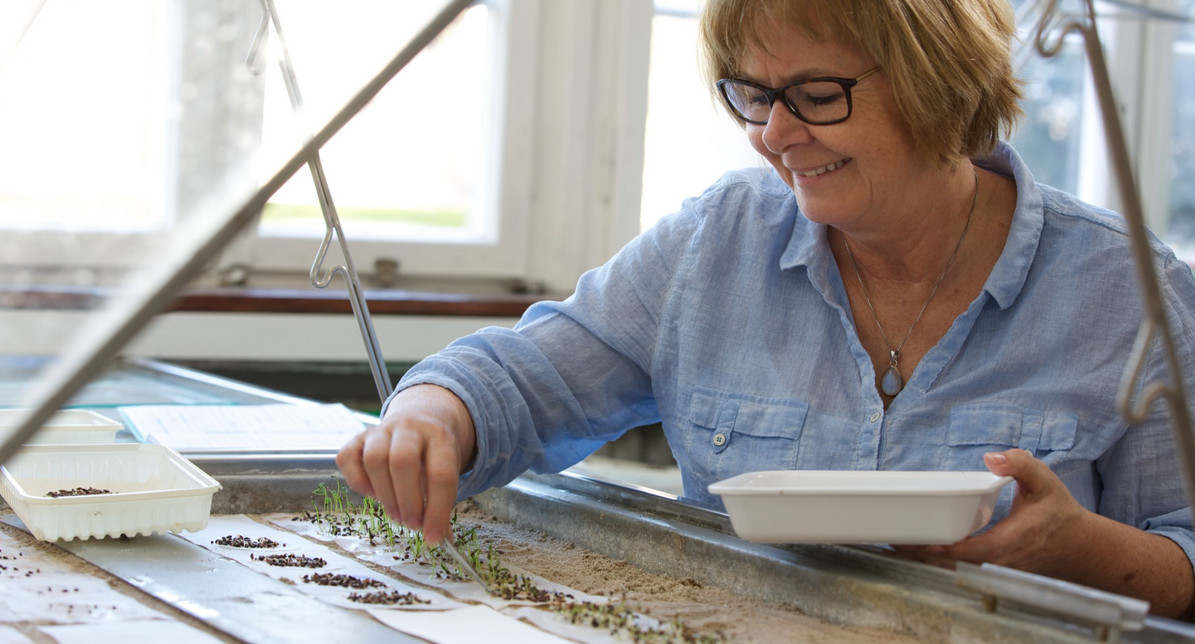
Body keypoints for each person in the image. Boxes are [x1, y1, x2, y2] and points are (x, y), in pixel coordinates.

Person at [338, 0, 1195, 619]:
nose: (774, 135)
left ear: (939, 78)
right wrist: (429, 414)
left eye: (817, 95)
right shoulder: (715, 242)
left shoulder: (1129, 295)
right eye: (750, 93)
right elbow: (522, 383)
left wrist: (1081, 552)